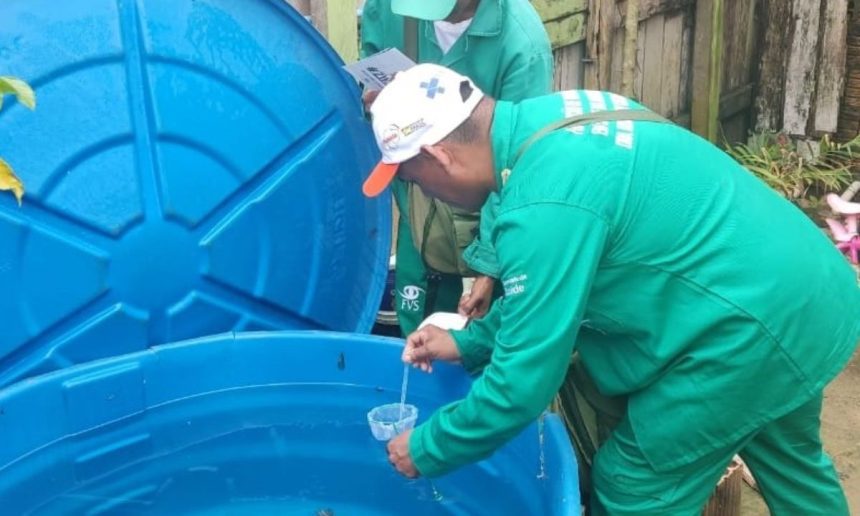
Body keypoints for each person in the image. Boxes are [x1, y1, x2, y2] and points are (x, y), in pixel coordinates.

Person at [360, 63, 860, 515]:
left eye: (411, 177)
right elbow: (557, 290)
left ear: (437, 155)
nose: (420, 192)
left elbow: (521, 387)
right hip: (806, 290)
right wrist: (467, 341)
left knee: (634, 485)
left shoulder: (542, 207)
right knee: (791, 463)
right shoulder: (556, 115)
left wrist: (427, 448)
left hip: (747, 330)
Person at [360, 0, 553, 334]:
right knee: (417, 329)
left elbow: (518, 166)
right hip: (419, 206)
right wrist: (375, 101)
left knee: (488, 330)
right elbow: (370, 67)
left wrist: (490, 267)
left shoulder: (523, 46)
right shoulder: (390, 7)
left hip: (492, 216)